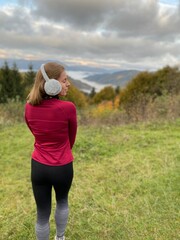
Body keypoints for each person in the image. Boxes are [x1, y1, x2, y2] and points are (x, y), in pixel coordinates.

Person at [25, 62, 77, 240]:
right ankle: (60, 238)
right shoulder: (68, 108)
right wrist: (62, 151)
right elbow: (72, 138)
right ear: (51, 84)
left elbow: (34, 133)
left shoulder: (28, 107)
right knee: (62, 202)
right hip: (62, 166)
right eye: (64, 80)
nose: (68, 83)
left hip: (38, 166)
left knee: (42, 213)